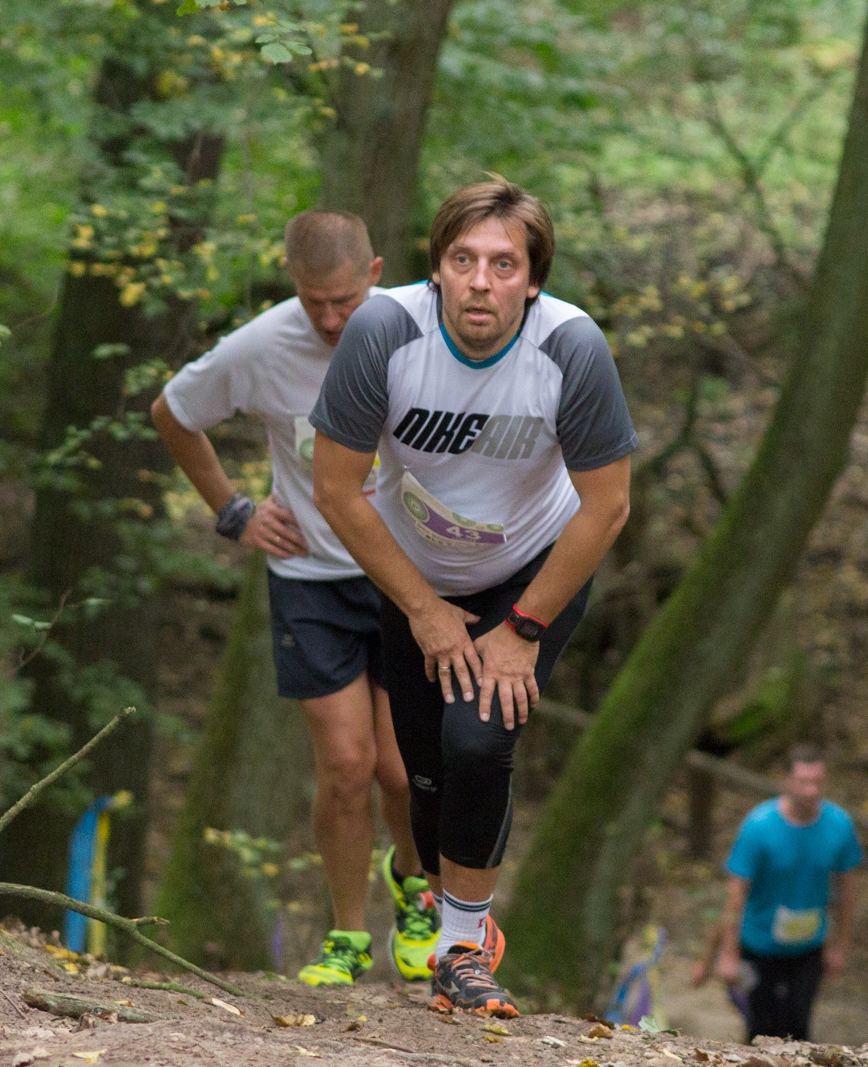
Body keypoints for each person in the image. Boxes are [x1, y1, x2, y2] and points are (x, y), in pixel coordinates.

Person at [310, 178, 638, 1017]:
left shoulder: (571, 346)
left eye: (503, 264)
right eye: (463, 261)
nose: (481, 281)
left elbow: (608, 505)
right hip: (415, 574)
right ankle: (428, 885)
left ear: (532, 279)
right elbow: (338, 488)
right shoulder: (384, 331)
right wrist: (421, 608)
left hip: (533, 571)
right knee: (421, 775)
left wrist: (523, 627)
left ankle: (464, 948)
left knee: (478, 736)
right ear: (436, 272)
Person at [151, 210, 439, 987]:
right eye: (314, 301)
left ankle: (417, 887)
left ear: (377, 272)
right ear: (293, 283)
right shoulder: (261, 346)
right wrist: (234, 511)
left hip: (409, 575)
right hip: (312, 577)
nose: (330, 318)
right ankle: (347, 936)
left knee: (401, 769)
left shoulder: (425, 325)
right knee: (346, 766)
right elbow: (173, 414)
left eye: (344, 299)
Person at [691, 745, 861, 1041]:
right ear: (786, 781)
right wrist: (727, 954)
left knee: (798, 1026)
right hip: (759, 947)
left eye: (818, 783)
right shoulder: (758, 827)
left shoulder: (840, 825)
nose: (811, 791)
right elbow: (734, 897)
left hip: (809, 947)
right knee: (761, 1029)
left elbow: (846, 892)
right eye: (804, 782)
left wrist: (840, 946)